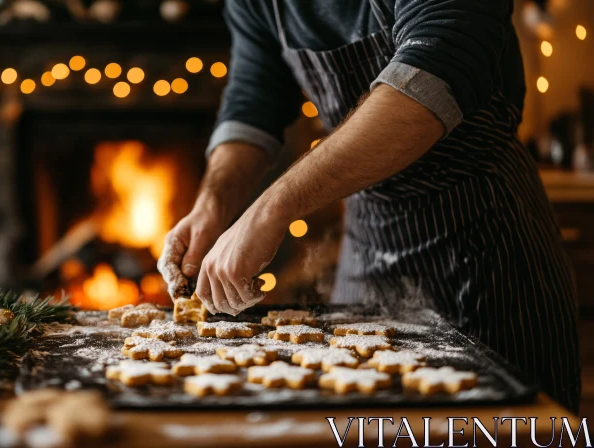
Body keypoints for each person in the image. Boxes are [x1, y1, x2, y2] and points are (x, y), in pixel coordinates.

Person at [157, 1, 580, 412]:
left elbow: (440, 63)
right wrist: (211, 206)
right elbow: (252, 102)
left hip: (487, 245)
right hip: (367, 246)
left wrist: (271, 208)